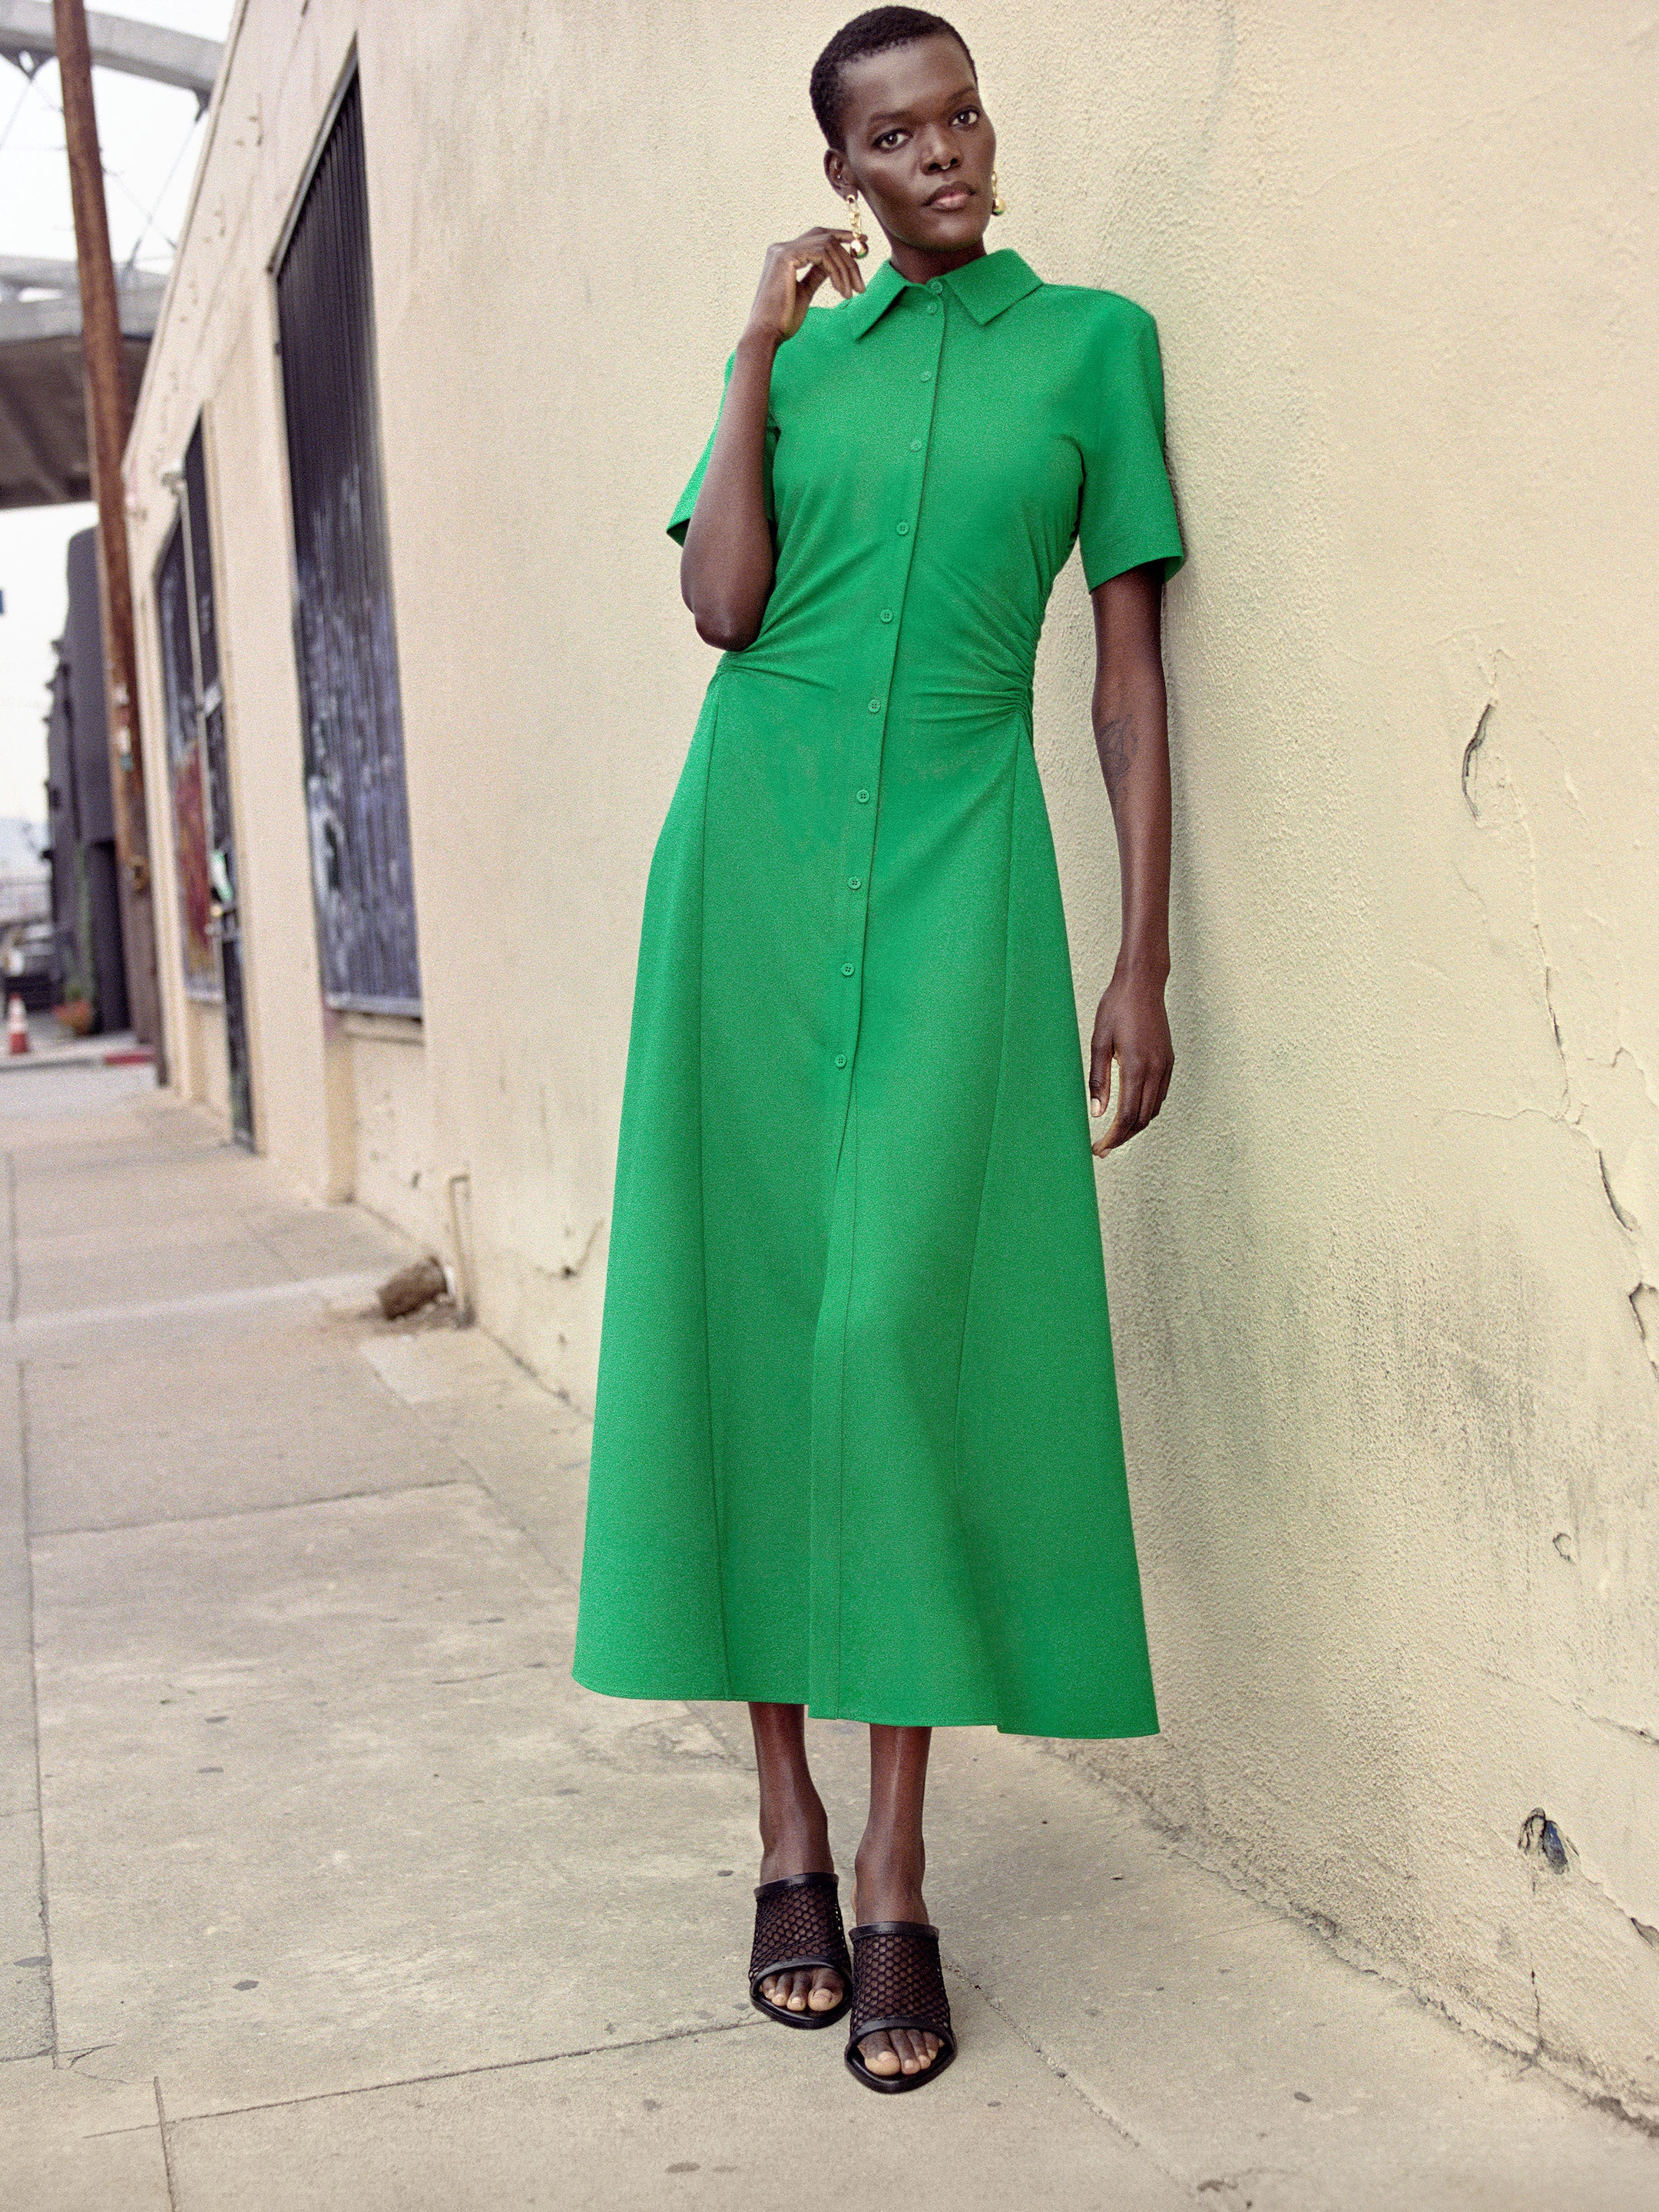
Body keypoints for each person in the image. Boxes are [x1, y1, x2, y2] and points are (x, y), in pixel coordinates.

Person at [572, 5, 1184, 2094]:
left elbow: (1123, 678)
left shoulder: (1096, 344)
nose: (944, 154)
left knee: (886, 1335)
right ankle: (790, 1834)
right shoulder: (796, 366)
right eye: (896, 135)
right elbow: (724, 608)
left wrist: (1147, 954)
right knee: (758, 1329)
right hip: (748, 855)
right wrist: (749, 351)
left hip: (957, 856)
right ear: (840, 174)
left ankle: (908, 1866)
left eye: (962, 115)